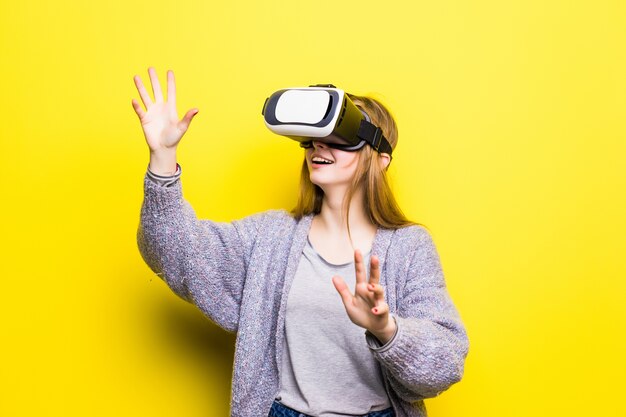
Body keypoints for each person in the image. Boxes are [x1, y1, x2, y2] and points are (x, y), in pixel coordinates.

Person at [133, 67, 469, 417]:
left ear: (380, 160)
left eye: (340, 136)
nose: (320, 146)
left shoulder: (409, 248)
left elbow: (444, 363)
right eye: (313, 138)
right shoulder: (271, 238)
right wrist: (162, 157)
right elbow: (175, 251)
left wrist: (387, 328)